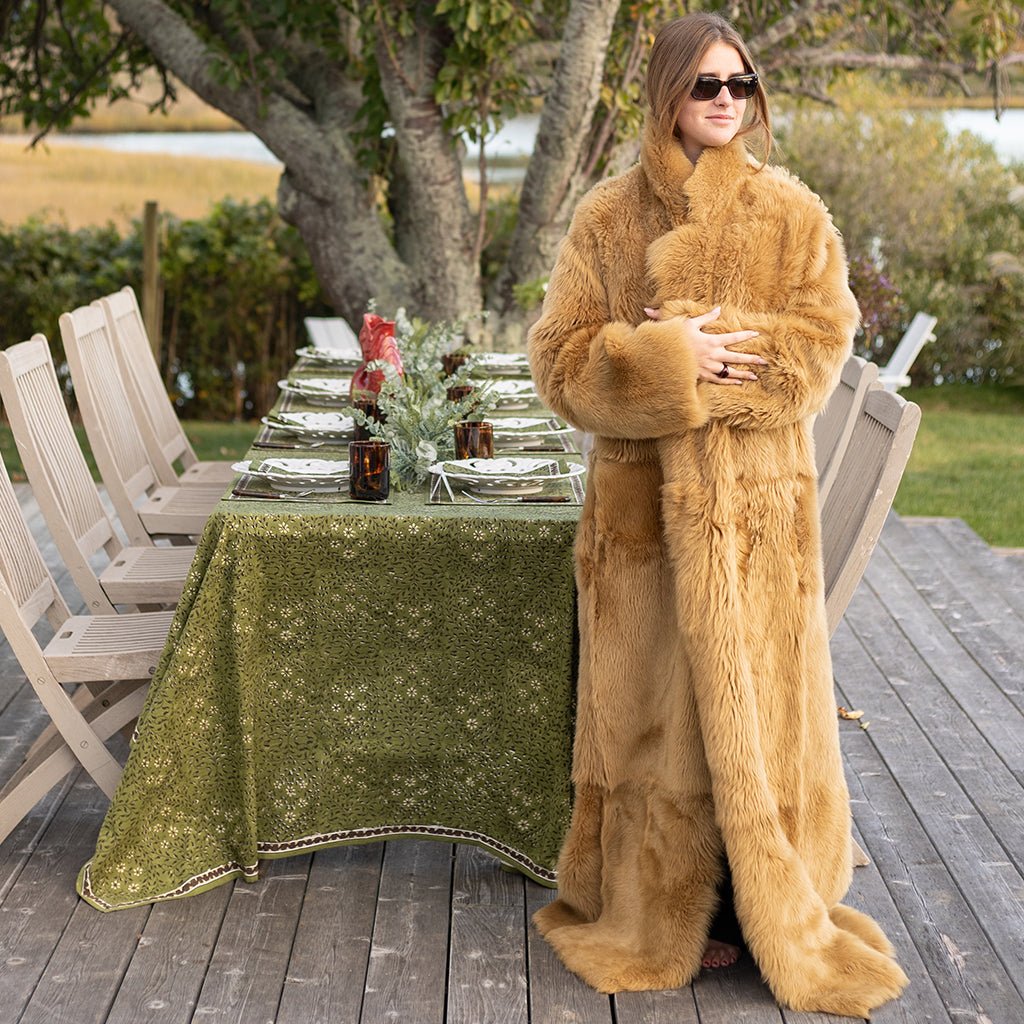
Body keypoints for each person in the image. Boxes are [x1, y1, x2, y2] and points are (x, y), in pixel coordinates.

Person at [526, 12, 909, 1017]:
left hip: (759, 526)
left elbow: (820, 350)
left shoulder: (791, 217)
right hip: (642, 531)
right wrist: (659, 362)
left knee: (761, 722)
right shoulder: (607, 219)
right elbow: (558, 363)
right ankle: (658, 907)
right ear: (666, 96)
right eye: (706, 86)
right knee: (659, 724)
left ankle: (758, 905)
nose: (726, 102)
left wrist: (714, 350)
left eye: (740, 84)